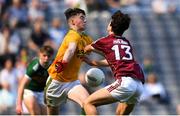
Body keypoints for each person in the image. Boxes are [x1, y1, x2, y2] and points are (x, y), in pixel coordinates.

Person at [82, 10, 145, 115]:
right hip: (138, 84)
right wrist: (93, 63)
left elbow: (86, 49)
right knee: (119, 114)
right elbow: (115, 60)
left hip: (125, 82)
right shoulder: (126, 42)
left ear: (111, 25)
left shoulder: (105, 40)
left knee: (88, 103)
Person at [45, 8, 93, 115]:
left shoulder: (85, 38)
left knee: (88, 104)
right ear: (72, 22)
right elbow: (71, 50)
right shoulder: (73, 35)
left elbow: (95, 47)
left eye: (85, 18)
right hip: (55, 81)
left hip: (72, 82)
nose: (85, 20)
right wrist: (64, 62)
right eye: (81, 18)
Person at [16, 45, 54, 115]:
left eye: (48, 56)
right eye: (44, 55)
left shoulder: (53, 67)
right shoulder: (35, 66)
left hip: (41, 92)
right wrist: (19, 104)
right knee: (36, 113)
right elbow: (22, 85)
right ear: (40, 54)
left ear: (51, 56)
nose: (46, 58)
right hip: (30, 91)